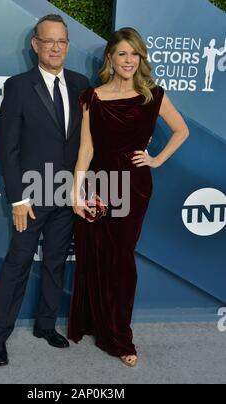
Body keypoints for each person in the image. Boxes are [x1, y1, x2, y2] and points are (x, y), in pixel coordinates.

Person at [68, 27, 189, 367]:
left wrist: (156, 159)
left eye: (134, 54)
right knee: (96, 254)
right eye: (122, 53)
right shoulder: (92, 97)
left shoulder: (153, 94)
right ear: (110, 57)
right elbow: (86, 150)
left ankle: (120, 336)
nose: (129, 60)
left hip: (133, 186)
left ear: (141, 59)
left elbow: (182, 130)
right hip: (98, 184)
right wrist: (76, 193)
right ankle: (96, 322)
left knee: (121, 259)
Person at [0, 14, 89, 367]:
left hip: (66, 195)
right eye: (49, 41)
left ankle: (46, 326)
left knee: (56, 263)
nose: (56, 47)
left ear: (68, 45)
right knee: (17, 264)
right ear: (35, 45)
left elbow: (86, 143)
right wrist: (17, 198)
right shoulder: (18, 86)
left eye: (62, 40)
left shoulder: (81, 84)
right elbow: (8, 149)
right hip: (30, 197)